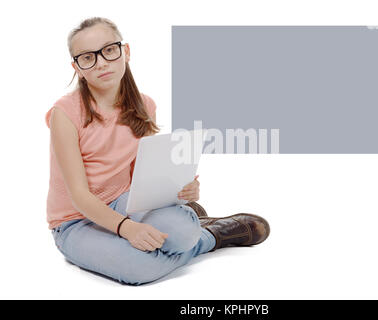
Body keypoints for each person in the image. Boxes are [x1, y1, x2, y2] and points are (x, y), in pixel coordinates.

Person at [46, 17, 270, 285]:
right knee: (138, 268)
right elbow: (79, 196)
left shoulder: (144, 105)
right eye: (87, 57)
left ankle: (189, 226)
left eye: (108, 50)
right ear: (77, 68)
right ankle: (211, 237)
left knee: (184, 232)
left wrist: (181, 190)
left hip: (126, 202)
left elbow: (145, 174)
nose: (101, 62)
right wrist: (125, 228)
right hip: (76, 221)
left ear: (125, 51)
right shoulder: (65, 113)